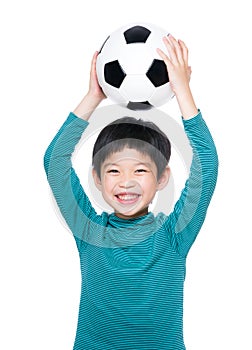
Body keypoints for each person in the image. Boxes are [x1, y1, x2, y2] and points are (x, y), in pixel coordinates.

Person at [44, 35, 218, 350]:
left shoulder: (175, 232)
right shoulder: (89, 229)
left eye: (140, 170)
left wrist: (183, 92)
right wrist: (92, 96)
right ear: (96, 179)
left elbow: (206, 162)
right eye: (113, 170)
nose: (126, 182)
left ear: (162, 178)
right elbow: (54, 161)